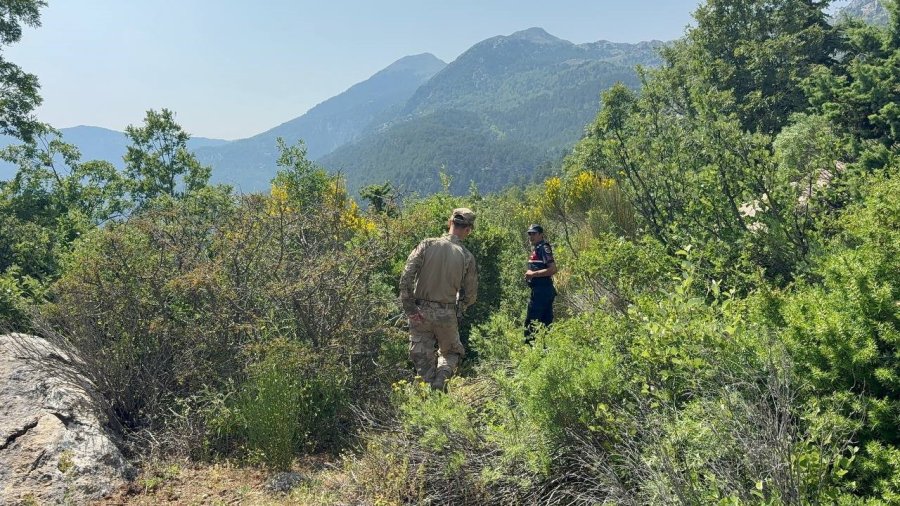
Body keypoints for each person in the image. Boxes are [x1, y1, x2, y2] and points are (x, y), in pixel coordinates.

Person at [399, 208, 478, 391]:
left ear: (450, 222)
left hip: (420, 312)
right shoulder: (467, 256)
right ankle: (441, 380)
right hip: (447, 312)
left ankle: (428, 391)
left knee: (421, 357)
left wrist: (410, 308)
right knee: (452, 353)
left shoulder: (427, 244)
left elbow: (406, 277)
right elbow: (471, 294)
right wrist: (459, 309)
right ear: (468, 230)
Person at [524, 224, 557, 343]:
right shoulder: (537, 248)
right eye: (529, 234)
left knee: (532, 323)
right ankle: (543, 349)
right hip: (539, 291)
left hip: (543, 291)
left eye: (534, 233)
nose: (531, 236)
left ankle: (530, 351)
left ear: (541, 234)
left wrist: (533, 274)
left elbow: (552, 269)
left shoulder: (544, 248)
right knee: (544, 323)